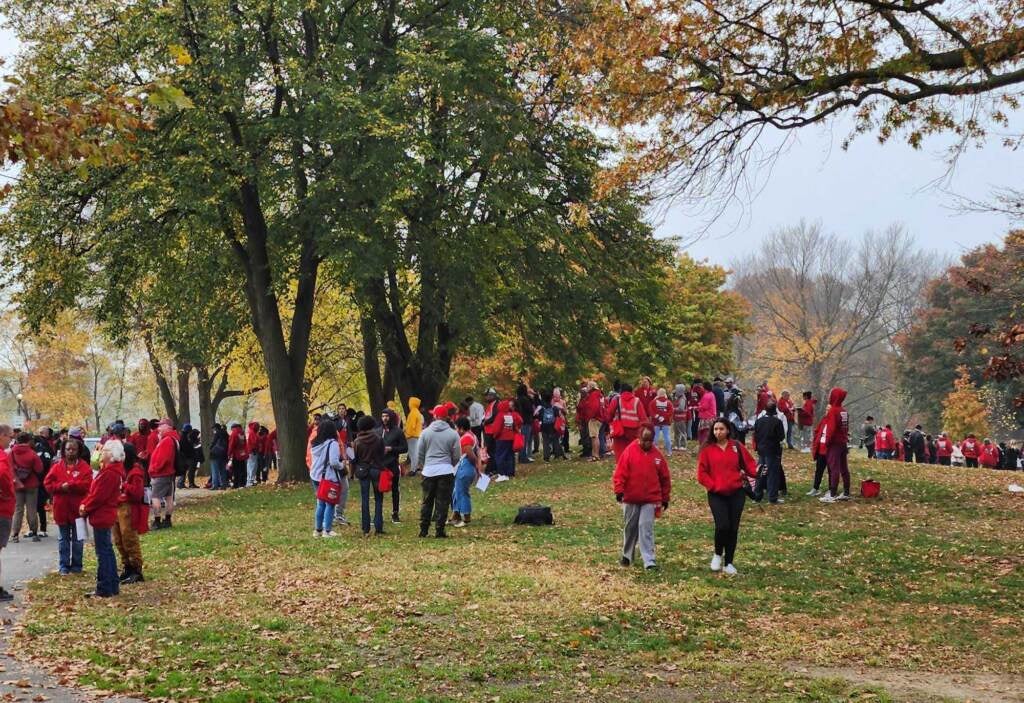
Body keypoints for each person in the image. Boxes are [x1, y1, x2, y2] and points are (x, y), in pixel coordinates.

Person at [696, 419, 758, 576]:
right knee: (722, 525)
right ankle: (718, 554)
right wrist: (713, 486)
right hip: (717, 494)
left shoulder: (736, 446)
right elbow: (702, 474)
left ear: (728, 430)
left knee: (733, 528)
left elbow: (749, 465)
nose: (718, 432)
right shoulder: (707, 449)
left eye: (721, 429)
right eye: (715, 429)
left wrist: (759, 472)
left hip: (736, 492)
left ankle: (729, 562)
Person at [613, 426, 671, 570]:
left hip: (651, 498)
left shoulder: (657, 455)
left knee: (645, 527)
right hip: (631, 497)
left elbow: (665, 478)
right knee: (630, 527)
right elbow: (620, 472)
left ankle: (649, 560)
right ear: (639, 438)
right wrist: (619, 490)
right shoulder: (629, 452)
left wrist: (665, 498)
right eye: (644, 440)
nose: (647, 444)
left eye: (650, 441)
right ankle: (627, 555)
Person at [79, 439, 125, 598]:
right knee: (107, 550)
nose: (100, 453)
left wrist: (85, 507)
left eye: (104, 451)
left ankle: (105, 586)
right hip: (105, 514)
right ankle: (112, 584)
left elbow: (98, 496)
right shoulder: (111, 471)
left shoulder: (110, 473)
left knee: (103, 552)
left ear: (111, 454)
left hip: (102, 515)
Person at [44, 439, 92, 575]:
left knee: (78, 539)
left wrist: (70, 485)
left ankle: (77, 566)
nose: (70, 452)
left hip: (79, 509)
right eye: (68, 449)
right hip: (61, 509)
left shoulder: (84, 467)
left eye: (73, 449)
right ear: (63, 451)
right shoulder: (57, 466)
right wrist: (60, 486)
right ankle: (64, 566)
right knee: (63, 539)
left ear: (78, 451)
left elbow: (88, 485)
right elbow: (48, 484)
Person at [415, 405, 460, 538]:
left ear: (434, 416)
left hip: (429, 470)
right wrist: (450, 464)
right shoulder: (453, 433)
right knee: (443, 501)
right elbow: (457, 454)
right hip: (445, 470)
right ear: (447, 417)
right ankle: (440, 530)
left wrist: (425, 465)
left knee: (427, 501)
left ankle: (424, 529)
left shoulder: (425, 433)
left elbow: (420, 453)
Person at [114, 436, 148, 584]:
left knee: (129, 538)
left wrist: (124, 486)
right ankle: (127, 566)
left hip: (129, 508)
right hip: (118, 506)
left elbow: (137, 492)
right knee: (118, 539)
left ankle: (136, 569)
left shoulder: (136, 471)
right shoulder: (121, 470)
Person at [816, 388, 851, 503]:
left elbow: (831, 429)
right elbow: (845, 428)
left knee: (834, 468)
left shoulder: (833, 411)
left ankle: (832, 494)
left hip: (834, 444)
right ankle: (846, 492)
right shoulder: (844, 411)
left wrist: (826, 442)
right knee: (844, 468)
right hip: (843, 443)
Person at [310, 418, 343, 538]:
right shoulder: (332, 443)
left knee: (320, 504)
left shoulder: (315, 443)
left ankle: (318, 530)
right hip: (328, 477)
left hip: (315, 476)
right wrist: (342, 465)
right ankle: (327, 530)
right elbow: (334, 462)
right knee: (330, 504)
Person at [9, 432, 44, 543]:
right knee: (31, 509)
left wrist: (16, 479)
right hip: (32, 485)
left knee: (18, 509)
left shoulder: (12, 452)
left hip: (17, 485)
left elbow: (9, 469)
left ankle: (15, 534)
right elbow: (39, 469)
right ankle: (34, 533)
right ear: (28, 441)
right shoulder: (32, 454)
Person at [147, 419, 180, 529]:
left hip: (161, 474)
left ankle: (157, 522)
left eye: (160, 426)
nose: (158, 429)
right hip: (168, 473)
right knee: (169, 497)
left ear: (167, 426)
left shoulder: (167, 440)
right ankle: (167, 520)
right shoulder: (173, 438)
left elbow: (163, 458)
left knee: (155, 497)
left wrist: (154, 469)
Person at [752, 403, 786, 504]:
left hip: (761, 450)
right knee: (772, 474)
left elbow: (756, 435)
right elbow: (781, 437)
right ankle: (772, 497)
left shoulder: (759, 421)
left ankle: (757, 495)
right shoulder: (777, 422)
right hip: (773, 451)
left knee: (760, 472)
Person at [451, 418, 482, 528]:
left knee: (462, 492)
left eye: (456, 428)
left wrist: (475, 466)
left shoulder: (466, 438)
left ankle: (466, 517)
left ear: (461, 428)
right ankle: (456, 514)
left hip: (466, 467)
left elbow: (471, 455)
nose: (456, 430)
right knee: (456, 491)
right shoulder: (472, 435)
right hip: (467, 467)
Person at [606, 383, 649, 459]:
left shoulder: (616, 400)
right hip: (634, 431)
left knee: (620, 453)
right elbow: (643, 419)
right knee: (634, 452)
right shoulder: (637, 401)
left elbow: (609, 415)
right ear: (631, 391)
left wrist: (610, 423)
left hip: (619, 431)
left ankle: (622, 468)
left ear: (621, 391)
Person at [380, 409, 407, 524]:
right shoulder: (378, 431)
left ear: (391, 417)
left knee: (395, 489)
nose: (385, 418)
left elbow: (404, 448)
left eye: (387, 416)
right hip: (380, 465)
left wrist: (391, 449)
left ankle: (395, 513)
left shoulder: (398, 432)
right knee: (378, 489)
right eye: (383, 416)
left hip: (392, 464)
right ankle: (378, 513)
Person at [0, 424, 15, 601]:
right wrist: (7, 492)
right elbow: (3, 474)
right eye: (10, 437)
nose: (11, 440)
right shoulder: (2, 457)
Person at [488, 399, 521, 480]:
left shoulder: (500, 415)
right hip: (510, 438)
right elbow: (517, 423)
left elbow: (497, 428)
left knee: (500, 456)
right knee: (510, 456)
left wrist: (495, 436)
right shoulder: (510, 415)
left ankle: (502, 474)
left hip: (501, 438)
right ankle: (510, 472)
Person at [32, 427, 55, 538]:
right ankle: (40, 528)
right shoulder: (43, 445)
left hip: (37, 479)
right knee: (39, 505)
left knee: (37, 505)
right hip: (43, 479)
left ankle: (38, 528)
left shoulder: (43, 445)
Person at [577, 382, 603, 462]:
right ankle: (595, 455)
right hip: (597, 418)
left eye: (588, 386)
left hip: (594, 418)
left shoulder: (594, 395)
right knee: (594, 436)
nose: (587, 388)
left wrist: (591, 416)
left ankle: (595, 455)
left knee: (594, 437)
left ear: (591, 387)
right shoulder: (598, 394)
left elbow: (594, 407)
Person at [537, 392, 566, 461]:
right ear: (551, 399)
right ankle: (558, 454)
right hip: (553, 426)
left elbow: (539, 417)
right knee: (556, 440)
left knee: (545, 442)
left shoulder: (541, 408)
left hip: (544, 427)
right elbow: (558, 416)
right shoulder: (554, 408)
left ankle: (546, 456)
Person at [648, 388, 674, 457]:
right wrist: (664, 417)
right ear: (664, 394)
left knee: (655, 436)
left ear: (658, 394)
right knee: (667, 436)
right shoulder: (668, 402)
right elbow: (671, 411)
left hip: (656, 422)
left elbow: (651, 411)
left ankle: (653, 451)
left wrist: (657, 416)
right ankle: (669, 452)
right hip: (665, 422)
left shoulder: (653, 402)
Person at [514, 384, 535, 465]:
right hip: (526, 421)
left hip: (520, 421)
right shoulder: (525, 399)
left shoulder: (517, 399)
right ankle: (523, 457)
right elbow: (530, 409)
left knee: (521, 439)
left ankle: (521, 456)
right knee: (524, 440)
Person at [405, 397, 424, 476]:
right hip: (417, 435)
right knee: (415, 452)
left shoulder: (413, 413)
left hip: (412, 436)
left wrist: (407, 434)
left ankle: (413, 470)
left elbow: (411, 426)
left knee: (413, 453)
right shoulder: (418, 413)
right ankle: (417, 467)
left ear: (412, 404)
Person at [208, 423, 229, 490]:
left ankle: (215, 485)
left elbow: (213, 443)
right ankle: (223, 485)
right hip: (224, 455)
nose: (213, 430)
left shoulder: (217, 434)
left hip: (215, 455)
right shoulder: (226, 434)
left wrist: (210, 448)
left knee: (215, 470)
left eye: (213, 429)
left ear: (216, 428)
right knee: (223, 470)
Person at [227, 422, 248, 488]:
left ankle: (236, 484)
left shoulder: (234, 433)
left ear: (233, 428)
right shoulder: (242, 433)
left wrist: (229, 453)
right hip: (242, 453)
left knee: (236, 470)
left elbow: (231, 445)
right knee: (242, 469)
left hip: (236, 454)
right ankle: (243, 483)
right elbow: (245, 443)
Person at [552, 388, 571, 456]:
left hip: (562, 420)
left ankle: (566, 448)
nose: (556, 397)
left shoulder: (563, 402)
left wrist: (562, 409)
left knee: (565, 434)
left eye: (558, 395)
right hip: (555, 421)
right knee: (556, 435)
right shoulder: (552, 402)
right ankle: (555, 450)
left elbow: (566, 412)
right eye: (555, 395)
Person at [671, 385, 690, 451]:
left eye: (676, 389)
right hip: (676, 417)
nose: (675, 391)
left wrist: (673, 409)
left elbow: (681, 408)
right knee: (676, 432)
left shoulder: (682, 398)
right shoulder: (677, 397)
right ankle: (676, 445)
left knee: (682, 432)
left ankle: (683, 445)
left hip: (681, 418)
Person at [244, 421, 260, 487]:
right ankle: (250, 481)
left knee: (253, 466)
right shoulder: (252, 433)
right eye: (258, 427)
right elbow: (254, 442)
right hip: (252, 452)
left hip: (252, 451)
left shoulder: (252, 432)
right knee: (252, 466)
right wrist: (254, 449)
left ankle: (251, 480)